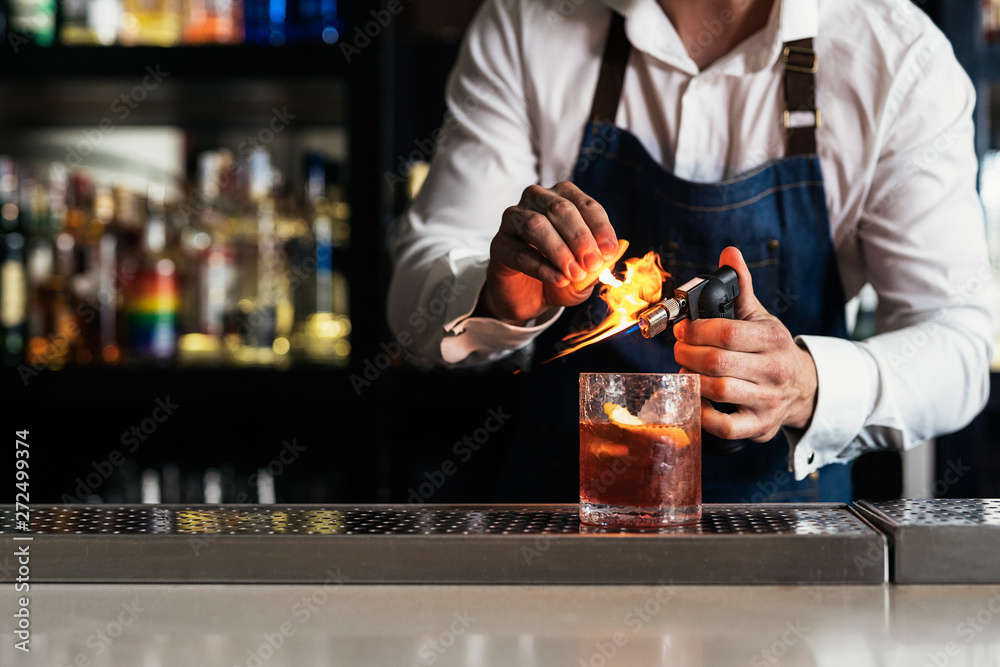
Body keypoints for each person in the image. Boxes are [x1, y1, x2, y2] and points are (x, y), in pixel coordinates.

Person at [385, 0, 994, 503]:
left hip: (791, 553)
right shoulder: (528, 24)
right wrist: (498, 296)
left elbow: (957, 343)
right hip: (563, 536)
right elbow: (416, 299)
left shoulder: (896, 57)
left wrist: (806, 384)